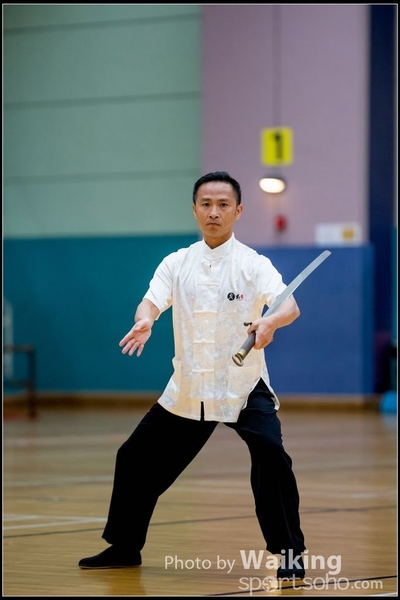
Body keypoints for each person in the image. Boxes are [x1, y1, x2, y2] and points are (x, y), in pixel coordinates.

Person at [78, 171, 306, 579]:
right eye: (206, 204)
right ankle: (125, 546)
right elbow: (151, 301)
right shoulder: (176, 262)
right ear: (195, 210)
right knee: (133, 457)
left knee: (270, 452)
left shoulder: (254, 264)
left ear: (238, 211)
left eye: (223, 205)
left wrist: (271, 322)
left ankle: (290, 554)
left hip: (242, 386)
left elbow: (289, 306)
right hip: (189, 387)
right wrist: (146, 320)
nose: (214, 212)